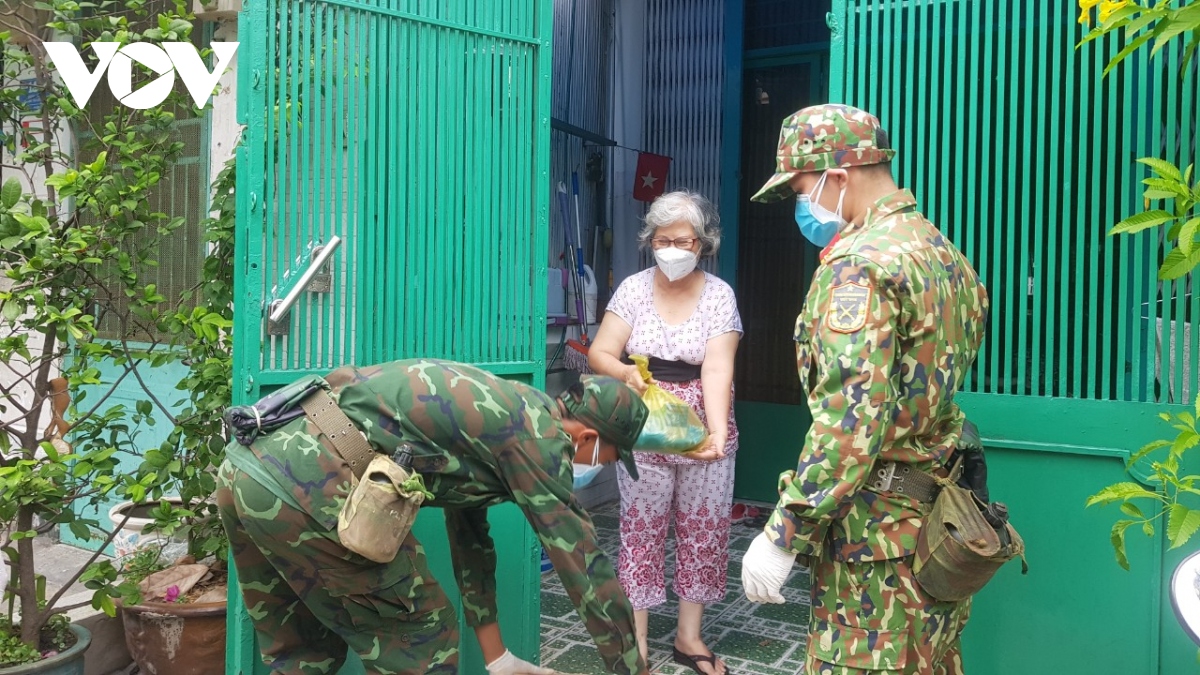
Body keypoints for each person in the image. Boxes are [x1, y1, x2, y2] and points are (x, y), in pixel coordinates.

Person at [739, 104, 989, 674]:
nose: (802, 206)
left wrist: (784, 533)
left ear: (838, 176)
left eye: (802, 188)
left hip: (875, 542)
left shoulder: (858, 267)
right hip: (935, 525)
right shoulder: (941, 252)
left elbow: (850, 422)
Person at [215, 358, 652, 675]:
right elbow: (584, 566)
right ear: (590, 436)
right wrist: (633, 669)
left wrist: (498, 659)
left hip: (247, 468)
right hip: (309, 475)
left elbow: (471, 539)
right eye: (613, 457)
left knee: (306, 653)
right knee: (425, 634)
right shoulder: (543, 440)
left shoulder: (519, 410)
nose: (606, 464)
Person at [589, 191, 742, 675]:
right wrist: (626, 374)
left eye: (683, 239)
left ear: (702, 243)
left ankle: (688, 635)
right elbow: (600, 353)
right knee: (641, 528)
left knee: (704, 528)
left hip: (701, 421)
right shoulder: (633, 289)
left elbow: (718, 369)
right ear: (650, 241)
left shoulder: (719, 295)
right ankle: (637, 639)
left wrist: (715, 436)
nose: (672, 248)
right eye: (662, 239)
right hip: (644, 424)